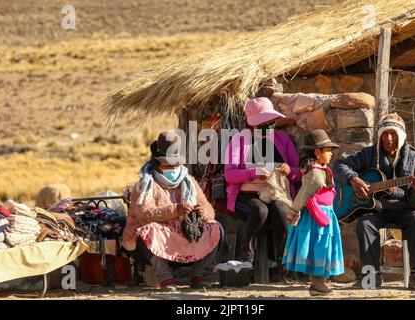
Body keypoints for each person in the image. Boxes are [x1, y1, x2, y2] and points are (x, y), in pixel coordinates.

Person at [333, 113, 415, 291]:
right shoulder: (369, 154)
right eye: (385, 134)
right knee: (365, 223)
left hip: (405, 209)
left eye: (393, 134)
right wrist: (353, 180)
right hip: (377, 210)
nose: (388, 138)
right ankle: (371, 276)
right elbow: (338, 166)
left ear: (401, 136)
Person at [122, 131, 221, 292]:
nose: (173, 168)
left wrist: (203, 212)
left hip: (185, 233)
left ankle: (198, 275)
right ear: (157, 164)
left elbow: (209, 209)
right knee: (149, 230)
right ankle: (166, 278)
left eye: (176, 165)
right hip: (159, 237)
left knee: (216, 227)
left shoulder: (188, 181)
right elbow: (143, 214)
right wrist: (175, 210)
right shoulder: (145, 184)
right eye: (168, 165)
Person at [224, 97, 302, 268]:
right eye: (265, 121)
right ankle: (247, 260)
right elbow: (230, 175)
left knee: (282, 212)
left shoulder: (283, 140)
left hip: (278, 193)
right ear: (253, 124)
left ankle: (283, 263)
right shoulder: (240, 141)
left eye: (271, 121)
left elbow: (299, 173)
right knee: (260, 210)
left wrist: (289, 171)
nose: (270, 124)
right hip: (247, 195)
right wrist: (253, 173)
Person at [283, 129, 344, 296]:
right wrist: (294, 212)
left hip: (324, 214)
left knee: (321, 247)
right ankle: (318, 283)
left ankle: (320, 283)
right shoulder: (315, 174)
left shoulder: (319, 170)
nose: (331, 154)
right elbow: (304, 195)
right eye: (328, 150)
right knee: (320, 247)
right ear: (317, 152)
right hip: (316, 218)